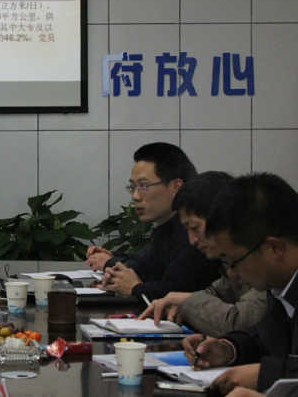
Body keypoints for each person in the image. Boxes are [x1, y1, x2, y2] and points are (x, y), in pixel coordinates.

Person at [182, 173, 298, 395]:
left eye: (233, 261)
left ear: (274, 249)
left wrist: (265, 375)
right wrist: (228, 348)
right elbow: (265, 339)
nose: (231, 273)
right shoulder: (279, 285)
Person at [85, 142, 219, 300]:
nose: (135, 196)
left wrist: (135, 288)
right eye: (132, 187)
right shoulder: (166, 227)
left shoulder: (193, 233)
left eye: (143, 186)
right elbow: (144, 265)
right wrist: (113, 261)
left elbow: (174, 292)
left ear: (176, 187)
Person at [139, 171, 267, 336]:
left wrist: (186, 302)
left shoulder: (263, 258)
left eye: (194, 228)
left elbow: (238, 323)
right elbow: (216, 291)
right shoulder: (228, 259)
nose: (192, 240)